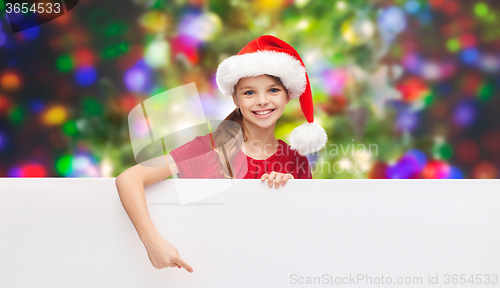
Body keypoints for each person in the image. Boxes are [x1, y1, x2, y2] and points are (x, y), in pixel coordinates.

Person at [115, 35, 328, 273]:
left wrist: (288, 193)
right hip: (213, 272)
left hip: (270, 272)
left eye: (273, 90)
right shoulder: (208, 149)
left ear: (287, 95)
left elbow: (304, 230)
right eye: (249, 93)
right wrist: (153, 242)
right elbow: (130, 178)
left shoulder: (295, 160)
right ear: (235, 98)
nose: (262, 101)